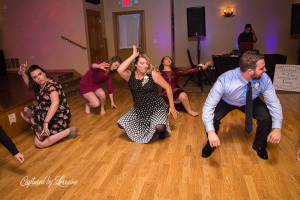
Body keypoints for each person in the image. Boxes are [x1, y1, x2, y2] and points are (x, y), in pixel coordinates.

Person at [201, 51, 283, 160]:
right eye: (262, 68)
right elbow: (208, 106)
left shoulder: (264, 79)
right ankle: (210, 144)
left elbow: (273, 102)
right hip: (228, 101)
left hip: (252, 100)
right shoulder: (224, 80)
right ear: (250, 71)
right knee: (213, 118)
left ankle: (259, 145)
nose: (265, 70)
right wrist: (210, 132)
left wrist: (277, 128)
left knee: (266, 118)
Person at [117, 46, 178, 143]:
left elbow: (168, 87)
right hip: (139, 111)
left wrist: (171, 106)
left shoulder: (152, 74)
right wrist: (133, 56)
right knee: (121, 124)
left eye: (146, 63)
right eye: (142, 63)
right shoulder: (130, 76)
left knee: (160, 127)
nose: (145, 66)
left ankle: (159, 125)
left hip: (156, 108)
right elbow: (120, 70)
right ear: (135, 64)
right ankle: (149, 125)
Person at [20, 64, 78, 148]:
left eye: (39, 74)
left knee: (39, 144)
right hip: (45, 113)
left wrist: (46, 122)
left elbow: (55, 103)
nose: (39, 78)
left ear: (44, 73)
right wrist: (22, 72)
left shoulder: (51, 86)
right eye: (35, 77)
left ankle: (68, 131)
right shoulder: (39, 85)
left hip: (59, 117)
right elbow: (29, 83)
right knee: (24, 112)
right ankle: (44, 132)